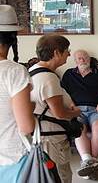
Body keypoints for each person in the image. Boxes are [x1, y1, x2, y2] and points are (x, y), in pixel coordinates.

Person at [30, 34, 81, 183]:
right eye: (67, 50)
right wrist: (76, 112)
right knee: (61, 175)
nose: (69, 54)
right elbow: (60, 113)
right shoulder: (48, 78)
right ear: (56, 52)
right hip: (53, 139)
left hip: (41, 135)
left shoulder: (33, 70)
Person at [61, 49, 98, 178]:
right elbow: (63, 92)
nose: (82, 60)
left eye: (85, 57)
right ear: (75, 61)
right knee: (79, 128)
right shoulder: (69, 74)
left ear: (89, 59)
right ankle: (89, 163)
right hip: (77, 109)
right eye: (79, 58)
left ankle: (89, 163)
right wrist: (71, 104)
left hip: (96, 109)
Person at [0, 5, 35, 181]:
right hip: (10, 158)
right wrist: (30, 106)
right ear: (13, 38)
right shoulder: (14, 71)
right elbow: (26, 126)